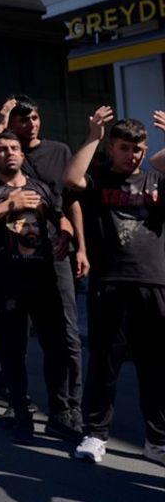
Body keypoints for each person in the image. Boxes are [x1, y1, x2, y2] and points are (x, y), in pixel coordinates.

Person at [0, 96, 86, 431]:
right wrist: (9, 205)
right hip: (8, 281)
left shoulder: (41, 187)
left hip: (44, 278)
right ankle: (19, 412)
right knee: (14, 351)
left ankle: (61, 414)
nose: (10, 154)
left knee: (57, 345)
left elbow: (61, 216)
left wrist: (65, 234)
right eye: (2, 150)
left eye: (14, 150)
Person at [64, 107, 165, 468]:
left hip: (154, 282)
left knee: (156, 367)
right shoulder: (100, 180)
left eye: (137, 148)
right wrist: (93, 135)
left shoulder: (156, 181)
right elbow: (72, 179)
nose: (132, 155)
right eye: (124, 148)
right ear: (112, 148)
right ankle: (95, 434)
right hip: (111, 283)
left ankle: (158, 440)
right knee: (105, 364)